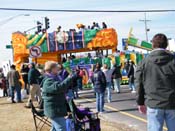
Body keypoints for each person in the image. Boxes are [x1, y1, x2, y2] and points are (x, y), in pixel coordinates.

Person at [135, 33, 175, 131]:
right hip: (172, 103)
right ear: (166, 45)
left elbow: (139, 83)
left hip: (154, 103)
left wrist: (140, 102)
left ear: (153, 45)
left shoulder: (144, 62)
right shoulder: (173, 60)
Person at [42, 61, 77, 131]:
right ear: (51, 69)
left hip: (55, 109)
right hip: (55, 110)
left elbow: (60, 87)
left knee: (55, 128)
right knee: (61, 129)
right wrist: (69, 78)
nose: (58, 69)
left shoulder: (53, 78)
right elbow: (59, 88)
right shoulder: (48, 81)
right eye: (56, 68)